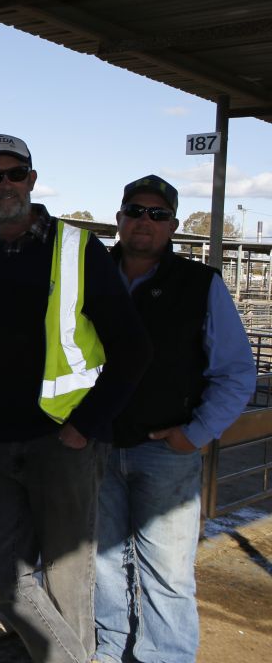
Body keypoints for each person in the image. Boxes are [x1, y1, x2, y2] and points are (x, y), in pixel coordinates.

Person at [0, 135, 150, 663]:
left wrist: (88, 425)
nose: (5, 184)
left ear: (32, 179)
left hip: (65, 440)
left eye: (16, 173)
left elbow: (133, 349)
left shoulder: (78, 248)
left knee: (67, 576)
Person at [94, 176, 255, 663]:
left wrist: (196, 433)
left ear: (173, 226)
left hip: (165, 451)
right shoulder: (87, 274)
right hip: (96, 445)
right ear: (119, 219)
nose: (145, 221)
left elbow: (236, 371)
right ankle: (109, 652)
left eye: (157, 214)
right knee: (101, 565)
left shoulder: (199, 284)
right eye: (135, 211)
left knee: (166, 572)